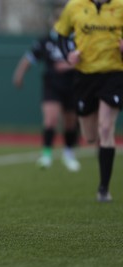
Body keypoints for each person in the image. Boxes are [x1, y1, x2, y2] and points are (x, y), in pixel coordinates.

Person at [54, 0, 123, 202]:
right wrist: (69, 54)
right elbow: (61, 34)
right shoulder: (74, 6)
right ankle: (98, 147)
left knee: (105, 129)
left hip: (114, 74)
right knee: (90, 136)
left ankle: (104, 188)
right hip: (85, 77)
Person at [12, 10, 81, 172]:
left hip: (72, 86)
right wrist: (19, 75)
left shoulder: (76, 41)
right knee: (50, 119)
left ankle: (69, 154)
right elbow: (29, 59)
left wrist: (68, 66)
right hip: (52, 86)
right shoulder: (45, 41)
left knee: (70, 122)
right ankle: (46, 155)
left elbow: (86, 60)